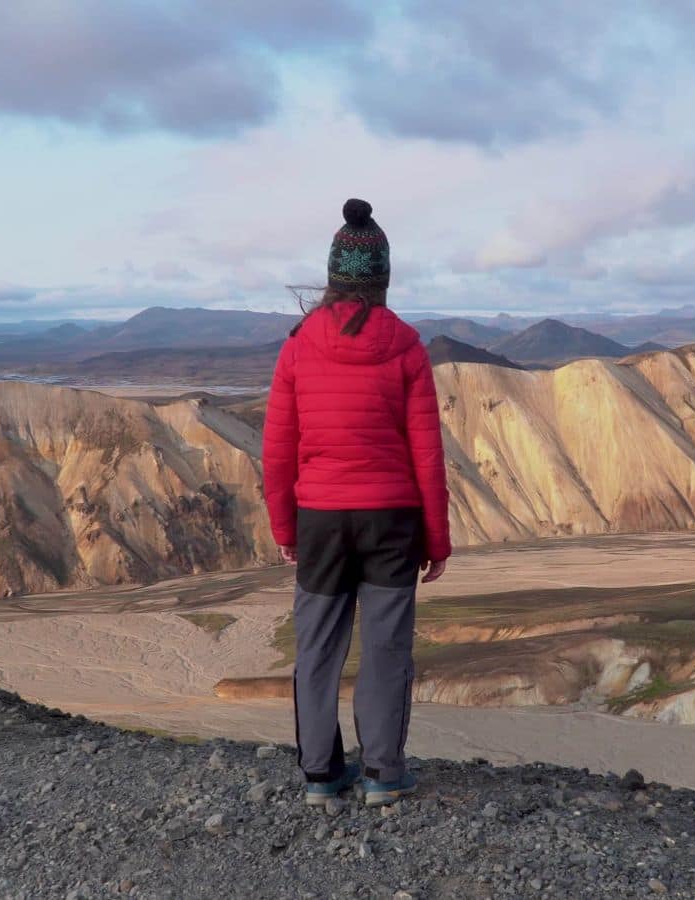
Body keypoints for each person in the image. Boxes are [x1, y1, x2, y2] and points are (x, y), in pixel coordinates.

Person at [261, 198, 451, 808]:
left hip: (320, 519)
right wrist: (437, 539)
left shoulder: (297, 346)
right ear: (383, 279)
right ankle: (383, 775)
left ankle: (321, 776)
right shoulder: (408, 347)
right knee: (387, 649)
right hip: (392, 521)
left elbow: (278, 450)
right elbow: (428, 454)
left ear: (333, 277)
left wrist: (285, 528)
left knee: (317, 647)